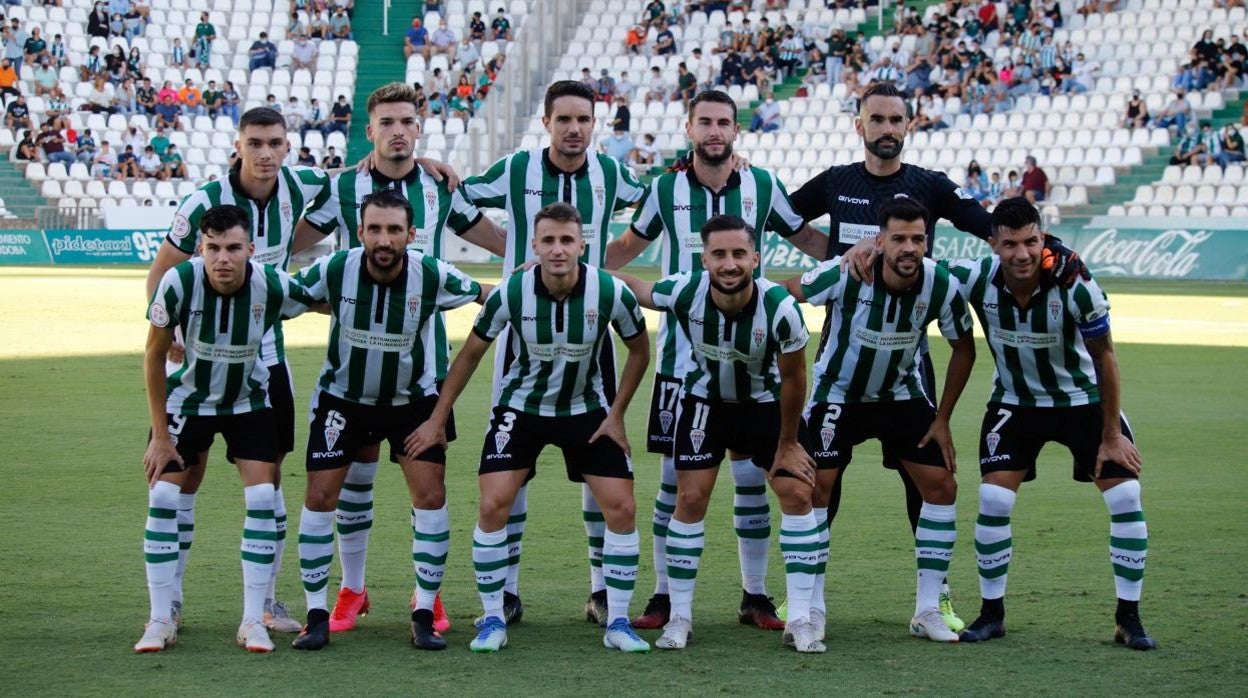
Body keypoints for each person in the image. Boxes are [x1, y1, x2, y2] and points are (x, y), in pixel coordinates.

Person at [788, 81, 1086, 632]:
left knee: (925, 480)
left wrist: (1055, 251)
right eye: (875, 119)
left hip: (909, 364)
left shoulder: (930, 186)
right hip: (843, 353)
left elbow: (991, 227)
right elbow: (777, 213)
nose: (886, 129)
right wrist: (830, 254)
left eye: (895, 119)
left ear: (909, 124)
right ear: (860, 125)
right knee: (822, 482)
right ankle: (804, 598)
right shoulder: (835, 182)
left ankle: (936, 597)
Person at [603, 90, 828, 632]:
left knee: (753, 480)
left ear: (735, 131)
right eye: (704, 122)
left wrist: (858, 255)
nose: (714, 131)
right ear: (689, 127)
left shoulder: (763, 185)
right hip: (682, 364)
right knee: (673, 483)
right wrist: (573, 270)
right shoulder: (665, 188)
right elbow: (629, 248)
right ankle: (663, 597)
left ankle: (755, 596)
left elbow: (804, 237)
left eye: (723, 123)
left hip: (753, 365)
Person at [295, 82, 507, 636]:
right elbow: (285, 246)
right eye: (386, 122)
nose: (397, 131)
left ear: (419, 128)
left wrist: (546, 266)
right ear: (369, 131)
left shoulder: (440, 187)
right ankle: (351, 589)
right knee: (352, 487)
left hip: (422, 369)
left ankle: (426, 597)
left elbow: (500, 241)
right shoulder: (344, 187)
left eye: (406, 122)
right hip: (352, 369)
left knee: (426, 492)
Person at [404, 202, 652, 653]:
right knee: (494, 503)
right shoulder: (511, 293)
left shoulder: (610, 292)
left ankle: (618, 620)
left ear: (582, 245)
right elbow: (471, 355)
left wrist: (616, 414)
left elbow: (639, 350)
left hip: (586, 409)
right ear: (535, 246)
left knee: (622, 508)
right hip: (520, 409)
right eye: (549, 241)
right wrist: (438, 418)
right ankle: (493, 618)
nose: (558, 249)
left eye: (567, 240)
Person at [459, 80, 647, 626]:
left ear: (595, 123)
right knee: (509, 468)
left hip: (592, 341)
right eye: (563, 118)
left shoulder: (612, 174)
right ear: (546, 122)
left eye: (583, 119)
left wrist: (610, 260)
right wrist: (513, 251)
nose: (573, 128)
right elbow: (457, 197)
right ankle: (509, 591)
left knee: (601, 464)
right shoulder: (517, 171)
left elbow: (653, 202)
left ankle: (600, 590)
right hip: (521, 337)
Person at [143, 107, 333, 637]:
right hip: (203, 362)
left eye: (275, 143)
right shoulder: (203, 202)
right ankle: (169, 604)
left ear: (288, 147)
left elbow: (362, 176)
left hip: (264, 358)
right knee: (184, 480)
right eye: (255, 143)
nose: (266, 153)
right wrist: (175, 332)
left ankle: (266, 603)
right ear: (238, 146)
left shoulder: (302, 185)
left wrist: (428, 162)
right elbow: (162, 270)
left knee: (266, 482)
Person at [942, 197, 1156, 652]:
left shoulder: (1076, 284)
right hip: (1015, 403)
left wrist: (1111, 435)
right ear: (994, 244)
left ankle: (1128, 618)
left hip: (1083, 401)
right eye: (1010, 244)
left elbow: (1106, 359)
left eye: (1031, 242)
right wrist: (865, 252)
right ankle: (992, 613)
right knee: (994, 498)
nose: (1022, 254)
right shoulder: (976, 276)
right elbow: (918, 269)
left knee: (1126, 494)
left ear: (1043, 239)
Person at [609, 215, 814, 652]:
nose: (729, 263)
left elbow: (796, 378)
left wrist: (789, 442)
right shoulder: (686, 291)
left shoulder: (780, 308)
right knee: (689, 499)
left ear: (756, 258)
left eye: (739, 253)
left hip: (764, 407)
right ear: (704, 259)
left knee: (797, 495)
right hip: (705, 404)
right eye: (719, 254)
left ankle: (801, 618)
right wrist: (578, 271)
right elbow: (638, 289)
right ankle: (679, 618)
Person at [782, 196, 976, 645]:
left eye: (918, 239)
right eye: (899, 238)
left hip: (900, 394)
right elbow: (790, 290)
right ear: (880, 240)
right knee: (816, 489)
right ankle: (811, 607)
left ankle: (928, 608)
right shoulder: (849, 270)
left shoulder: (940, 284)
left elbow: (964, 348)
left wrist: (942, 418)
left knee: (942, 485)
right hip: (838, 394)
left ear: (927, 241)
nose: (909, 248)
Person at [135, 204, 313, 654]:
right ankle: (161, 616)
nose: (223, 259)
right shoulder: (178, 283)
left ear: (251, 250)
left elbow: (325, 299)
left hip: (247, 401)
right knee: (163, 495)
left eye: (234, 248)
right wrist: (160, 434)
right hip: (188, 401)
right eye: (213, 248)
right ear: (201, 247)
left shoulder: (272, 284)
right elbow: (154, 355)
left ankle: (253, 619)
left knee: (262, 496)